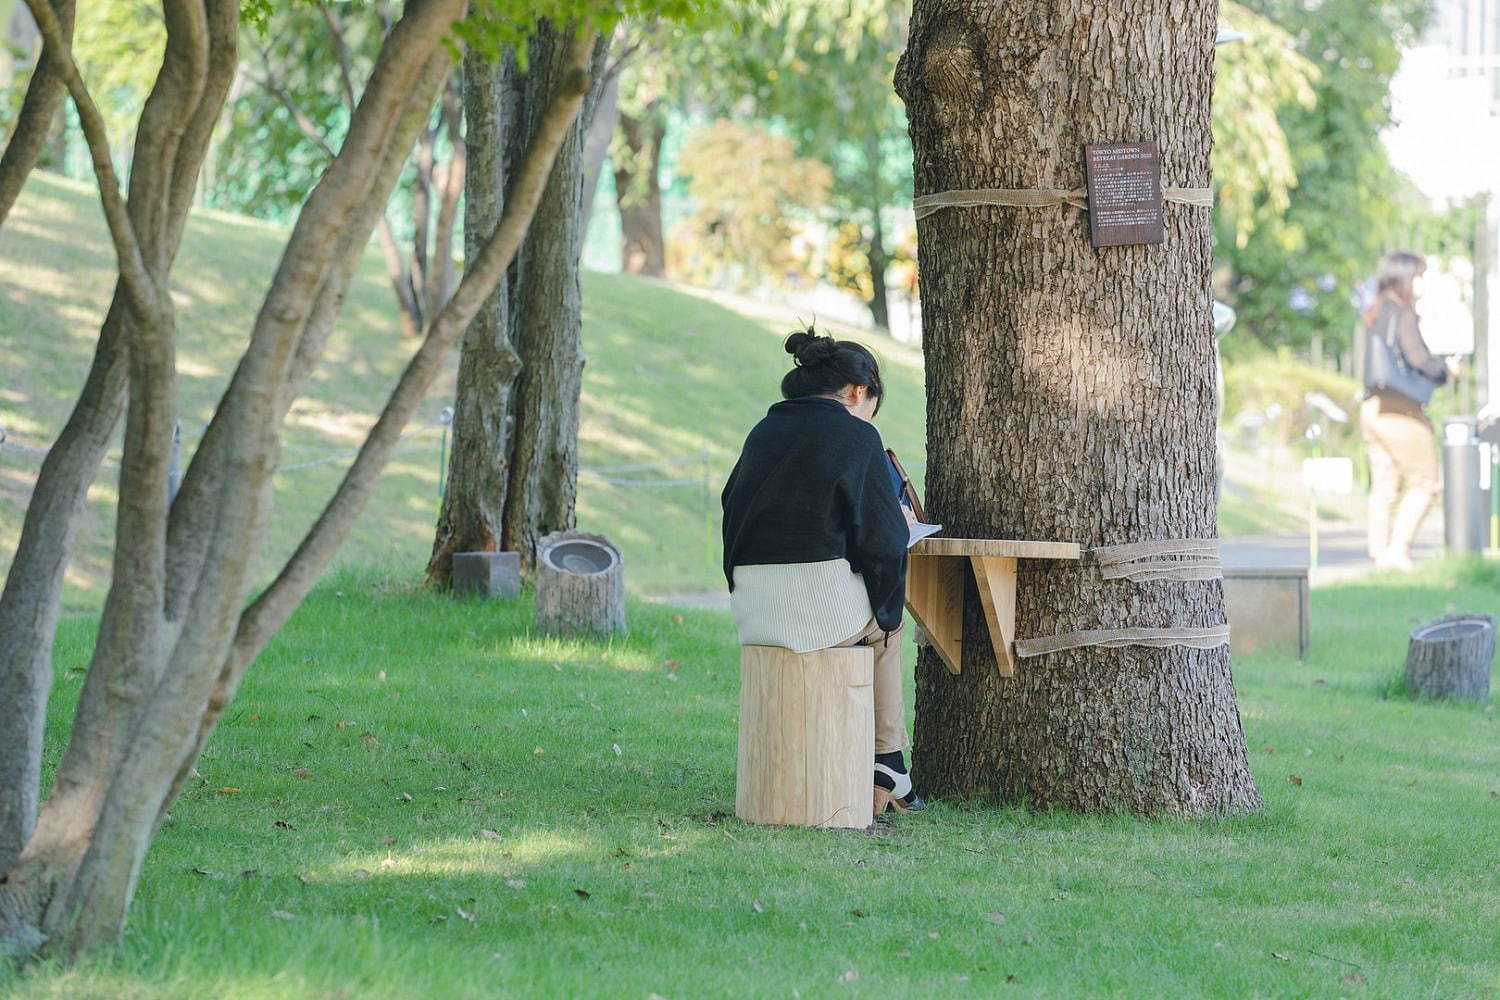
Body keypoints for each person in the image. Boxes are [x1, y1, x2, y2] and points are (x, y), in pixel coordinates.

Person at [721, 327, 923, 813]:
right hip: (821, 615)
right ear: (858, 391)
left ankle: (884, 764)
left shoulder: (762, 432)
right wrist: (889, 602)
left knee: (874, 617)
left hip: (753, 605)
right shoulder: (858, 436)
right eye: (873, 399)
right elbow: (884, 540)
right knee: (887, 629)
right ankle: (888, 760)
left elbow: (733, 506)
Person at [1359, 251, 1459, 570]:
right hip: (1400, 410)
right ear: (1403, 278)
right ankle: (1398, 551)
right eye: (1418, 277)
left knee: (1385, 484)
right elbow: (1418, 358)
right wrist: (1446, 370)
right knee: (1425, 482)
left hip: (1373, 407)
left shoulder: (1376, 311)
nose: (1421, 285)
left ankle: (1379, 555)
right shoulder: (1400, 314)